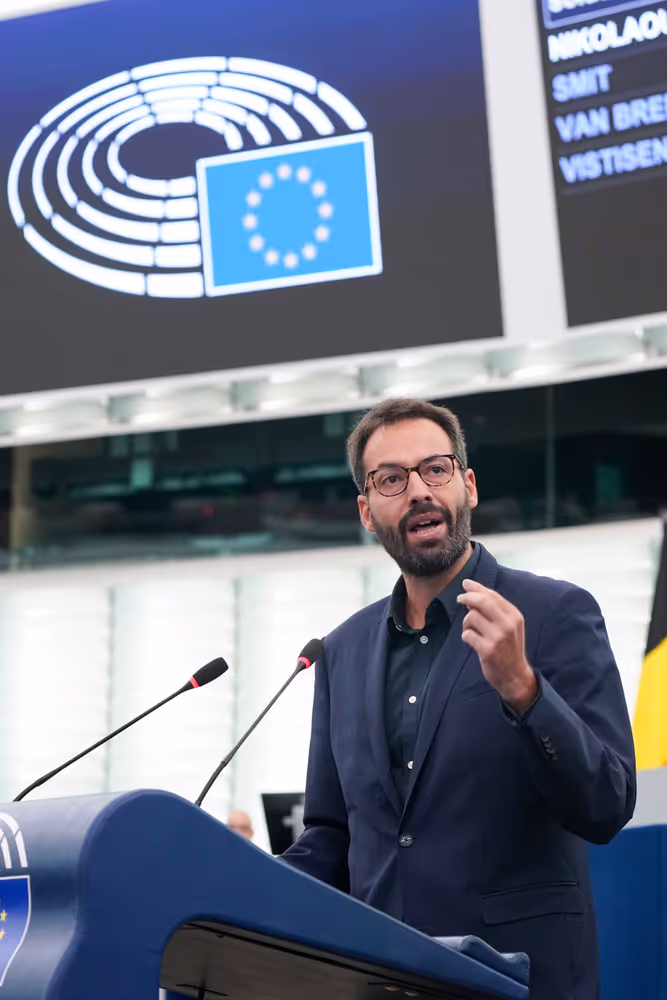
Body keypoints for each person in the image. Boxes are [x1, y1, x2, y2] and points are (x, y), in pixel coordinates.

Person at [283, 397, 635, 1000]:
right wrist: (225, 885)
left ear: (467, 485)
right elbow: (332, 839)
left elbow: (608, 803)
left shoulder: (554, 613)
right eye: (391, 479)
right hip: (385, 981)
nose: (419, 490)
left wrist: (524, 691)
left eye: (435, 469)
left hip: (522, 980)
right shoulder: (338, 651)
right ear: (367, 512)